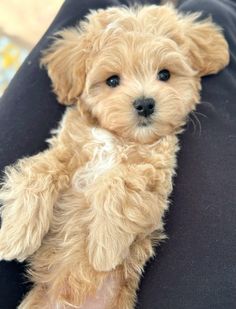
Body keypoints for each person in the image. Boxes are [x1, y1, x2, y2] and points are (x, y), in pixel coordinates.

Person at [0, 0, 235, 308]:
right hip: (43, 291)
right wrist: (33, 192)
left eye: (164, 74)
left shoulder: (157, 149)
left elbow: (140, 199)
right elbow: (52, 163)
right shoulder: (78, 128)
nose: (144, 98)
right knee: (216, 8)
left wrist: (117, 198)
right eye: (113, 80)